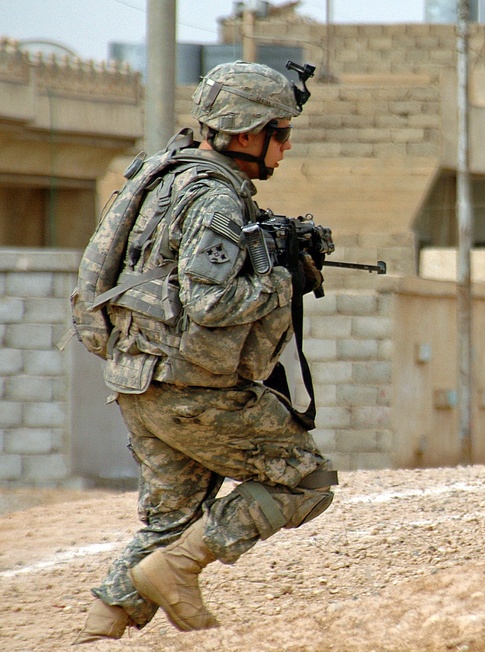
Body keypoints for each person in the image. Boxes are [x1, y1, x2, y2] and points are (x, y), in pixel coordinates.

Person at [74, 61, 337, 644]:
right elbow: (211, 304)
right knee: (304, 479)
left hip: (138, 380)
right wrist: (288, 276)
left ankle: (101, 626)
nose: (286, 146)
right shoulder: (215, 200)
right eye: (281, 131)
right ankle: (179, 570)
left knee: (172, 520)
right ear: (246, 134)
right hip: (191, 389)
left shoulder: (165, 177)